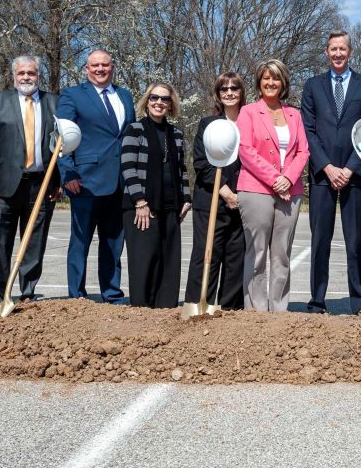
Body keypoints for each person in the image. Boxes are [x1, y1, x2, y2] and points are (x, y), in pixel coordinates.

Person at [301, 29, 361, 314]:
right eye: (333, 49)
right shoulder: (312, 86)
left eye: (342, 49)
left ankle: (358, 301)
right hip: (323, 175)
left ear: (350, 52)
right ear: (326, 52)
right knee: (320, 240)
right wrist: (328, 167)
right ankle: (317, 300)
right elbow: (308, 131)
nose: (337, 53)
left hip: (354, 175)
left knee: (355, 242)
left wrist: (349, 168)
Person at [0, 55, 61, 303]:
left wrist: (58, 182)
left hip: (41, 185)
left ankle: (27, 293)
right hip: (3, 186)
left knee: (34, 243)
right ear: (14, 75)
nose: (26, 77)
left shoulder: (54, 102)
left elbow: (63, 146)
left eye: (31, 73)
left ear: (38, 76)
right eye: (22, 73)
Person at [57, 49, 135, 303]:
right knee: (80, 242)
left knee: (113, 243)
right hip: (85, 181)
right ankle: (76, 296)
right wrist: (68, 172)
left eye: (105, 65)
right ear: (86, 69)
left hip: (119, 181)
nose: (100, 69)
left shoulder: (124, 95)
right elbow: (62, 136)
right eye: (95, 65)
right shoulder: (72, 95)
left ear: (112, 67)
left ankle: (112, 293)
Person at [236, 59, 310, 312]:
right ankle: (256, 310)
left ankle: (279, 310)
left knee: (282, 255)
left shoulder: (294, 114)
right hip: (255, 189)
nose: (271, 83)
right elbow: (245, 151)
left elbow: (303, 152)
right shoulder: (247, 112)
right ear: (259, 82)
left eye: (275, 78)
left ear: (283, 83)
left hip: (291, 192)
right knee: (256, 253)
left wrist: (287, 178)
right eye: (266, 78)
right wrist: (275, 180)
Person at [120, 82, 192, 308]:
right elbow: (128, 167)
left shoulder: (176, 134)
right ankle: (142, 309)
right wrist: (139, 201)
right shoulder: (135, 129)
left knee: (169, 260)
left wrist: (187, 198)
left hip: (171, 204)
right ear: (146, 101)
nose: (159, 102)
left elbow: (182, 169)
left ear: (171, 105)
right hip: (142, 205)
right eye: (154, 98)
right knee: (144, 259)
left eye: (165, 99)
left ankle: (165, 307)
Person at [184, 72, 246, 311]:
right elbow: (201, 162)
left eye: (234, 88)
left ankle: (230, 309)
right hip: (210, 199)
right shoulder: (208, 124)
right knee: (206, 255)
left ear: (241, 92)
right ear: (218, 94)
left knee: (236, 258)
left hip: (242, 201)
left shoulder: (249, 123)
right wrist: (226, 192)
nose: (229, 93)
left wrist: (241, 195)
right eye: (224, 89)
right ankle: (200, 306)